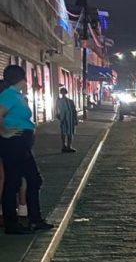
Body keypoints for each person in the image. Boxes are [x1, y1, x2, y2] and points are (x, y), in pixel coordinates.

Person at [0, 65, 53, 235]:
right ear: (20, 79)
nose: (27, 82)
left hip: (21, 143)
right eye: (25, 79)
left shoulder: (17, 96)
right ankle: (13, 224)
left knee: (32, 180)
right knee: (15, 182)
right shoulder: (9, 95)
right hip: (14, 144)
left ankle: (34, 220)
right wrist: (5, 132)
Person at [56, 87, 78, 153]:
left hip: (64, 119)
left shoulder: (59, 101)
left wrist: (59, 116)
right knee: (69, 133)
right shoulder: (70, 101)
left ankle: (64, 146)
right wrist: (75, 119)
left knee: (64, 132)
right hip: (69, 118)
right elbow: (74, 110)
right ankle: (68, 146)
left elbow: (57, 111)